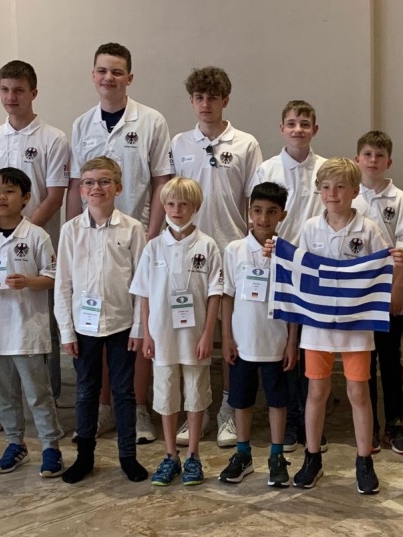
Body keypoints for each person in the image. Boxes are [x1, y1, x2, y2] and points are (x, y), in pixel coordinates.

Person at [68, 42, 173, 444]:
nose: (108, 77)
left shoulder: (151, 121)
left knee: (137, 323)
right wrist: (72, 232)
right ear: (92, 75)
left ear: (129, 77)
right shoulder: (82, 124)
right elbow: (76, 186)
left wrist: (152, 234)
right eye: (102, 70)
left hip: (137, 237)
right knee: (98, 323)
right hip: (91, 238)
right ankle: (105, 409)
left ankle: (138, 408)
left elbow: (161, 181)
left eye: (116, 71)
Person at [287, 158, 403, 495]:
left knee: (358, 392)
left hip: (356, 327)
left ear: (355, 191)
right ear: (319, 191)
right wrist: (274, 253)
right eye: (326, 187)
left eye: (340, 187)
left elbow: (383, 266)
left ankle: (364, 460)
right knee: (316, 392)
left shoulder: (368, 228)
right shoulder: (310, 228)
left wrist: (395, 262)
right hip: (318, 327)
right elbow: (298, 269)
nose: (332, 193)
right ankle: (312, 458)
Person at [0, 60, 70, 436]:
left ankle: (47, 405)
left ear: (33, 93)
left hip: (36, 245)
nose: (11, 97)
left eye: (19, 90)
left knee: (42, 327)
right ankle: (3, 409)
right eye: (5, 89)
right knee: (0, 325)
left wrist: (22, 231)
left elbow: (55, 195)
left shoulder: (53, 138)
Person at [169, 66, 263, 448]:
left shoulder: (246, 143)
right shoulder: (180, 142)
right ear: (191, 101)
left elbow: (254, 200)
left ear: (226, 100)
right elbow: (172, 197)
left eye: (212, 97)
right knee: (194, 334)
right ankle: (198, 409)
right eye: (198, 97)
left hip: (232, 249)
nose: (205, 104)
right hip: (191, 252)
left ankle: (228, 409)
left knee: (230, 337)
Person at [54, 157, 149, 484]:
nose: (97, 188)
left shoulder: (132, 228)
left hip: (122, 324)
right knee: (86, 392)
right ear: (81, 190)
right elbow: (63, 284)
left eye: (105, 181)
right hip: (83, 326)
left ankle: (128, 456)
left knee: (124, 392)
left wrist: (139, 327)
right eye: (90, 182)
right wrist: (66, 331)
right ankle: (84, 457)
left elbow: (141, 284)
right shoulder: (71, 231)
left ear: (118, 188)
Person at [129, 178, 223, 486]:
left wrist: (208, 334)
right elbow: (144, 295)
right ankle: (170, 455)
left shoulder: (207, 246)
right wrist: (146, 334)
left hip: (195, 336)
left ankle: (193, 454)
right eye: (170, 204)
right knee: (166, 395)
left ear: (196, 207)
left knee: (196, 394)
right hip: (162, 336)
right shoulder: (153, 247)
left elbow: (214, 295)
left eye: (184, 204)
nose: (176, 210)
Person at [0, 167, 64, 478]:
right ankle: (15, 443)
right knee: (3, 394)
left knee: (37, 393)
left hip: (28, 328)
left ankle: (51, 446)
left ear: (26, 198)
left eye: (10, 191)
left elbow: (53, 277)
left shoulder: (37, 235)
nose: (2, 197)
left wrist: (28, 282)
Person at [254, 99, 328, 453]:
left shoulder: (325, 169)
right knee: (284, 344)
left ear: (315, 129)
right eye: (292, 123)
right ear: (282, 128)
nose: (298, 129)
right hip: (278, 265)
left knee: (309, 345)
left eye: (305, 123)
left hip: (314, 267)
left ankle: (311, 420)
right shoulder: (267, 168)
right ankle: (289, 420)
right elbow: (257, 217)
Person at [217, 182, 298, 487]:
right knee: (241, 400)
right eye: (258, 211)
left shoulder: (288, 253)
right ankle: (243, 453)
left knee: (278, 400)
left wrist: (292, 341)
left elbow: (293, 301)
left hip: (276, 342)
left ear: (282, 215)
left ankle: (276, 455)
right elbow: (226, 296)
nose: (264, 218)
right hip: (243, 342)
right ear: (249, 212)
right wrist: (226, 338)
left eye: (272, 212)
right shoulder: (234, 250)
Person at [352, 131, 403, 455]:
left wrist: (398, 289)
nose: (373, 160)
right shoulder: (350, 196)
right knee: (364, 362)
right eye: (367, 154)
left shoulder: (399, 198)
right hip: (359, 297)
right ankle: (370, 425)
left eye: (379, 155)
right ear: (357, 160)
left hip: (389, 293)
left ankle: (394, 423)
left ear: (389, 162)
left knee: (391, 361)